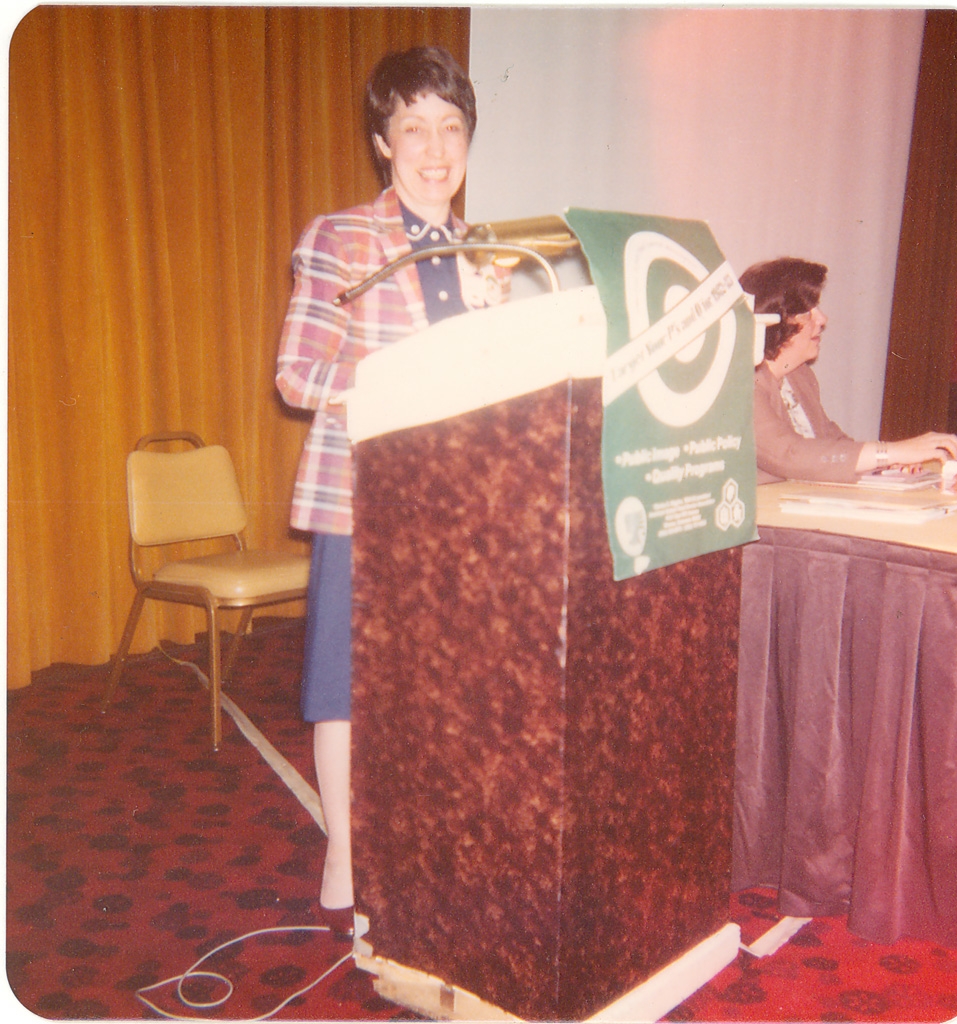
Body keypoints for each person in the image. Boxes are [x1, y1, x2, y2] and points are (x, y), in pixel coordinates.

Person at [275, 45, 509, 940]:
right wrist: (408, 372)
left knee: (442, 687)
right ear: (383, 141)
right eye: (415, 128)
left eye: (451, 128)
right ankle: (344, 851)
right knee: (345, 687)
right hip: (364, 500)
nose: (436, 149)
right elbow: (297, 373)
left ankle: (426, 841)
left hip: (456, 510)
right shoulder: (340, 238)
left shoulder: (481, 252)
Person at [740, 257, 957, 495]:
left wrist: (886, 463)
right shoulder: (739, 382)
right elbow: (789, 454)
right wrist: (890, 452)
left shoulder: (799, 376)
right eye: (807, 312)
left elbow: (830, 441)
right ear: (773, 318)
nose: (822, 319)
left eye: (818, 309)